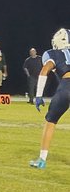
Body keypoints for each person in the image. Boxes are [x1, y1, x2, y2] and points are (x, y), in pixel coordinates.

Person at [30, 28, 70, 170]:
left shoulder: (52, 53)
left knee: (50, 122)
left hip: (67, 86)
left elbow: (44, 70)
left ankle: (42, 160)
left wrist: (39, 94)